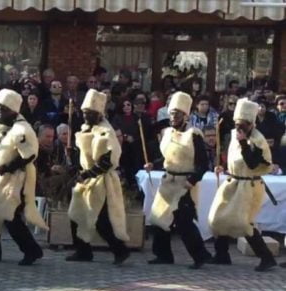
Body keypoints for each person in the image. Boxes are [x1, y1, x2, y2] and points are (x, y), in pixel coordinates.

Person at [0, 89, 47, 265]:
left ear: (14, 110)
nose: (0, 111)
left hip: (14, 179)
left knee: (11, 216)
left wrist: (7, 167)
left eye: (4, 108)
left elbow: (29, 155)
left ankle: (32, 250)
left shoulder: (23, 129)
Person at [208, 98, 278, 272]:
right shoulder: (233, 134)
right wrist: (223, 167)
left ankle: (266, 257)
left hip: (249, 186)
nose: (240, 128)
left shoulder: (258, 140)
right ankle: (222, 254)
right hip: (233, 182)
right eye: (237, 124)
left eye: (244, 125)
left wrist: (243, 143)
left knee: (243, 223)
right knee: (218, 218)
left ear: (251, 123)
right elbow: (232, 157)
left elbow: (253, 164)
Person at [145, 91, 212, 269]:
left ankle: (200, 255)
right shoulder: (167, 133)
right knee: (159, 218)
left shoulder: (194, 135)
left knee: (184, 222)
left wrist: (191, 181)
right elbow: (168, 159)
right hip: (168, 182)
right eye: (171, 113)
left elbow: (203, 164)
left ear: (185, 115)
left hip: (184, 184)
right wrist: (154, 164)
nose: (173, 117)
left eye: (177, 114)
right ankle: (163, 255)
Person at [67, 89, 131, 265]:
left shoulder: (106, 132)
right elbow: (83, 155)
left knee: (101, 220)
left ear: (98, 114)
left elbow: (108, 160)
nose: (85, 116)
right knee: (76, 215)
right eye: (84, 113)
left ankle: (120, 250)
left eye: (89, 113)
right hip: (86, 179)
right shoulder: (85, 128)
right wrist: (73, 157)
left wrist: (88, 173)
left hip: (101, 180)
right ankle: (83, 251)